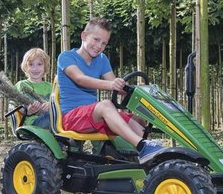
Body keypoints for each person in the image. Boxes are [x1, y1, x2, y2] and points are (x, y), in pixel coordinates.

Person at [57, 17, 162, 161]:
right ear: (84, 36)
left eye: (104, 43)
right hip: (71, 118)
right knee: (107, 105)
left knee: (138, 120)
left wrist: (141, 92)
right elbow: (80, 79)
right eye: (96, 39)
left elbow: (116, 85)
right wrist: (111, 85)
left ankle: (154, 159)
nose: (99, 46)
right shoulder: (66, 57)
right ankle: (142, 146)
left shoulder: (101, 59)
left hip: (94, 116)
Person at [15, 48, 52, 129]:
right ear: (26, 67)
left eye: (39, 64)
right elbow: (15, 107)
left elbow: (59, 104)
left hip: (53, 120)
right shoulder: (22, 85)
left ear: (45, 66)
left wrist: (51, 105)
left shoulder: (51, 86)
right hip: (34, 123)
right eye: (31, 64)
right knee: (53, 117)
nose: (35, 68)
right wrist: (28, 111)